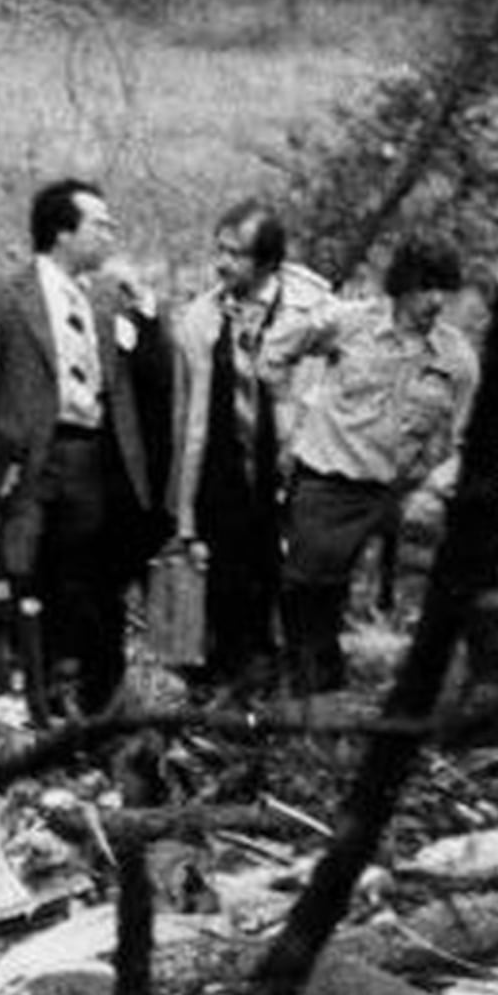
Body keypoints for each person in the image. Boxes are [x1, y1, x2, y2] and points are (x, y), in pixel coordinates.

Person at [0, 180, 173, 717]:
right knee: (19, 572)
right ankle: (23, 698)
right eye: (100, 223)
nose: (112, 233)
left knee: (84, 579)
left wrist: (146, 309)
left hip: (92, 456)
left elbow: (152, 377)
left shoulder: (106, 299)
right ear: (62, 231)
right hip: (26, 460)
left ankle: (80, 692)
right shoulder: (5, 295)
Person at [270, 237, 476, 695]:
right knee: (306, 591)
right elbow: (277, 349)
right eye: (425, 287)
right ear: (402, 287)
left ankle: (417, 685)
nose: (435, 300)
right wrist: (285, 413)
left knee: (445, 582)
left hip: (399, 493)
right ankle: (310, 691)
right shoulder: (351, 323)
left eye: (444, 289)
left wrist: (435, 486)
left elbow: (472, 443)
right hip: (330, 480)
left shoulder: (455, 356)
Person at [168, 201, 331, 697]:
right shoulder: (200, 318)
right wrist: (183, 510)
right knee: (220, 588)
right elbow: (185, 419)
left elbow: (322, 395)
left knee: (285, 588)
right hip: (220, 475)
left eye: (235, 254)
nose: (222, 263)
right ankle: (220, 690)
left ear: (266, 263)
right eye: (219, 250)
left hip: (285, 475)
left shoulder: (316, 313)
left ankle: (281, 691)